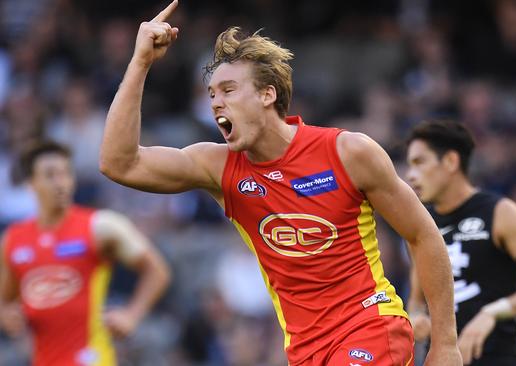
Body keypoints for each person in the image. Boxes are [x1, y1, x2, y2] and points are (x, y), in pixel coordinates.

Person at [99, 1, 461, 365]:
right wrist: (140, 62)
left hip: (370, 325)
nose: (215, 104)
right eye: (211, 94)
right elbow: (119, 163)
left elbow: (422, 235)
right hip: (305, 351)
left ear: (267, 94)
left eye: (228, 90)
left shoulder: (348, 151)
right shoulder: (218, 167)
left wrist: (445, 344)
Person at [405, 120, 516, 365]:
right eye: (409, 165)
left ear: (450, 161)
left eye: (420, 162)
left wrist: (492, 312)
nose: (410, 174)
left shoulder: (500, 212)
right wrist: (416, 318)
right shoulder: (421, 225)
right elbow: (418, 300)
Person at [0, 141, 170, 366]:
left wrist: (132, 315)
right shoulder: (14, 239)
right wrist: (7, 316)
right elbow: (5, 301)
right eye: (50, 175)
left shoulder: (101, 226)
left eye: (66, 174)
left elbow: (157, 271)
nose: (61, 183)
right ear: (31, 184)